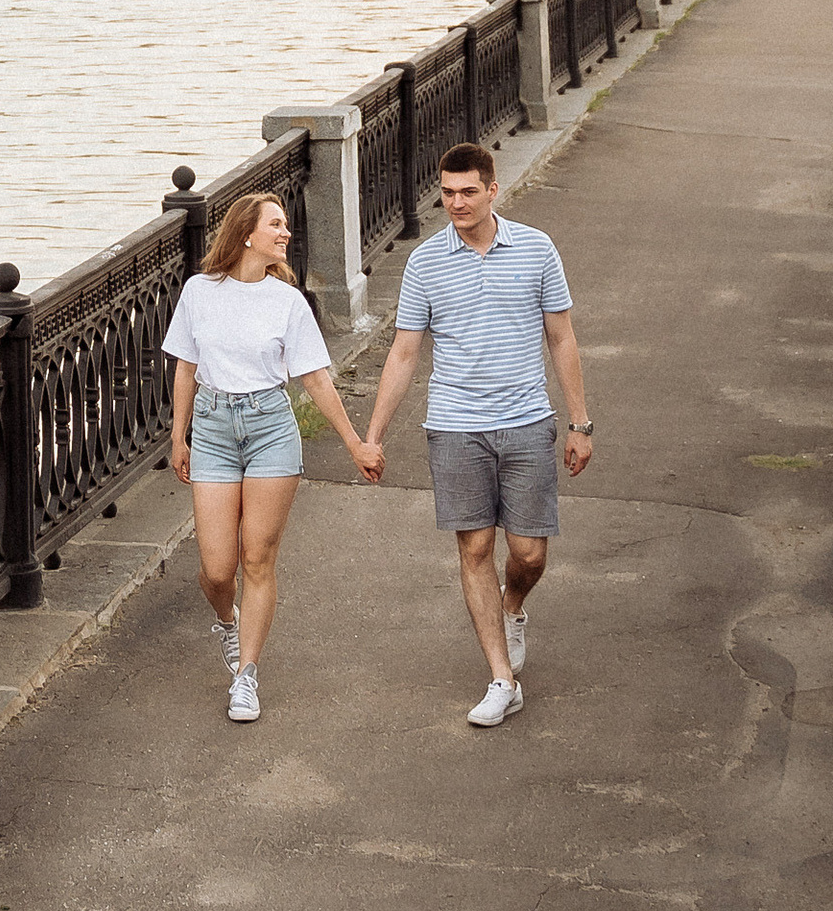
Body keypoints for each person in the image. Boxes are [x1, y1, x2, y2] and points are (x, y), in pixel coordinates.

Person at [364, 142, 593, 728]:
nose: (456, 202)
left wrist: (579, 423)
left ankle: (513, 606)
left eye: (468, 191)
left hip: (526, 422)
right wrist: (374, 435)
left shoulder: (537, 249)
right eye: (447, 192)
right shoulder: (425, 263)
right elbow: (405, 352)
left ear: (493, 189)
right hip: (455, 427)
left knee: (529, 553)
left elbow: (561, 339)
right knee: (474, 550)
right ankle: (501, 679)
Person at [167, 191, 381, 726]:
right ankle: (227, 622)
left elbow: (314, 377)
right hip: (213, 429)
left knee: (258, 558)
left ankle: (247, 676)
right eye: (277, 225)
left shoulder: (288, 302)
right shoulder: (199, 292)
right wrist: (178, 436)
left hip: (270, 429)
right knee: (217, 570)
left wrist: (354, 442)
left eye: (286, 225)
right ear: (246, 233)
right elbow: (186, 368)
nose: (286, 233)